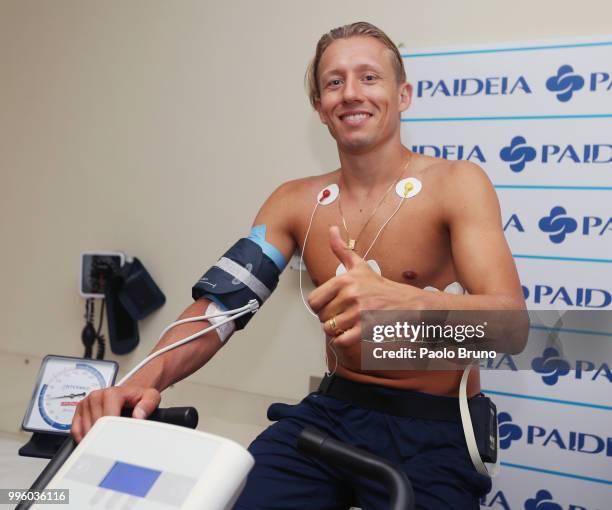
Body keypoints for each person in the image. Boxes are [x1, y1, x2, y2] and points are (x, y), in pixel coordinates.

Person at [72, 22, 527, 509]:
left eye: (369, 77)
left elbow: (510, 329)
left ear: (404, 94)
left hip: (433, 425)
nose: (351, 93)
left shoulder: (457, 183)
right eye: (334, 82)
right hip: (333, 412)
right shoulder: (295, 203)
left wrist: (405, 303)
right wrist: (142, 380)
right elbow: (220, 310)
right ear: (319, 107)